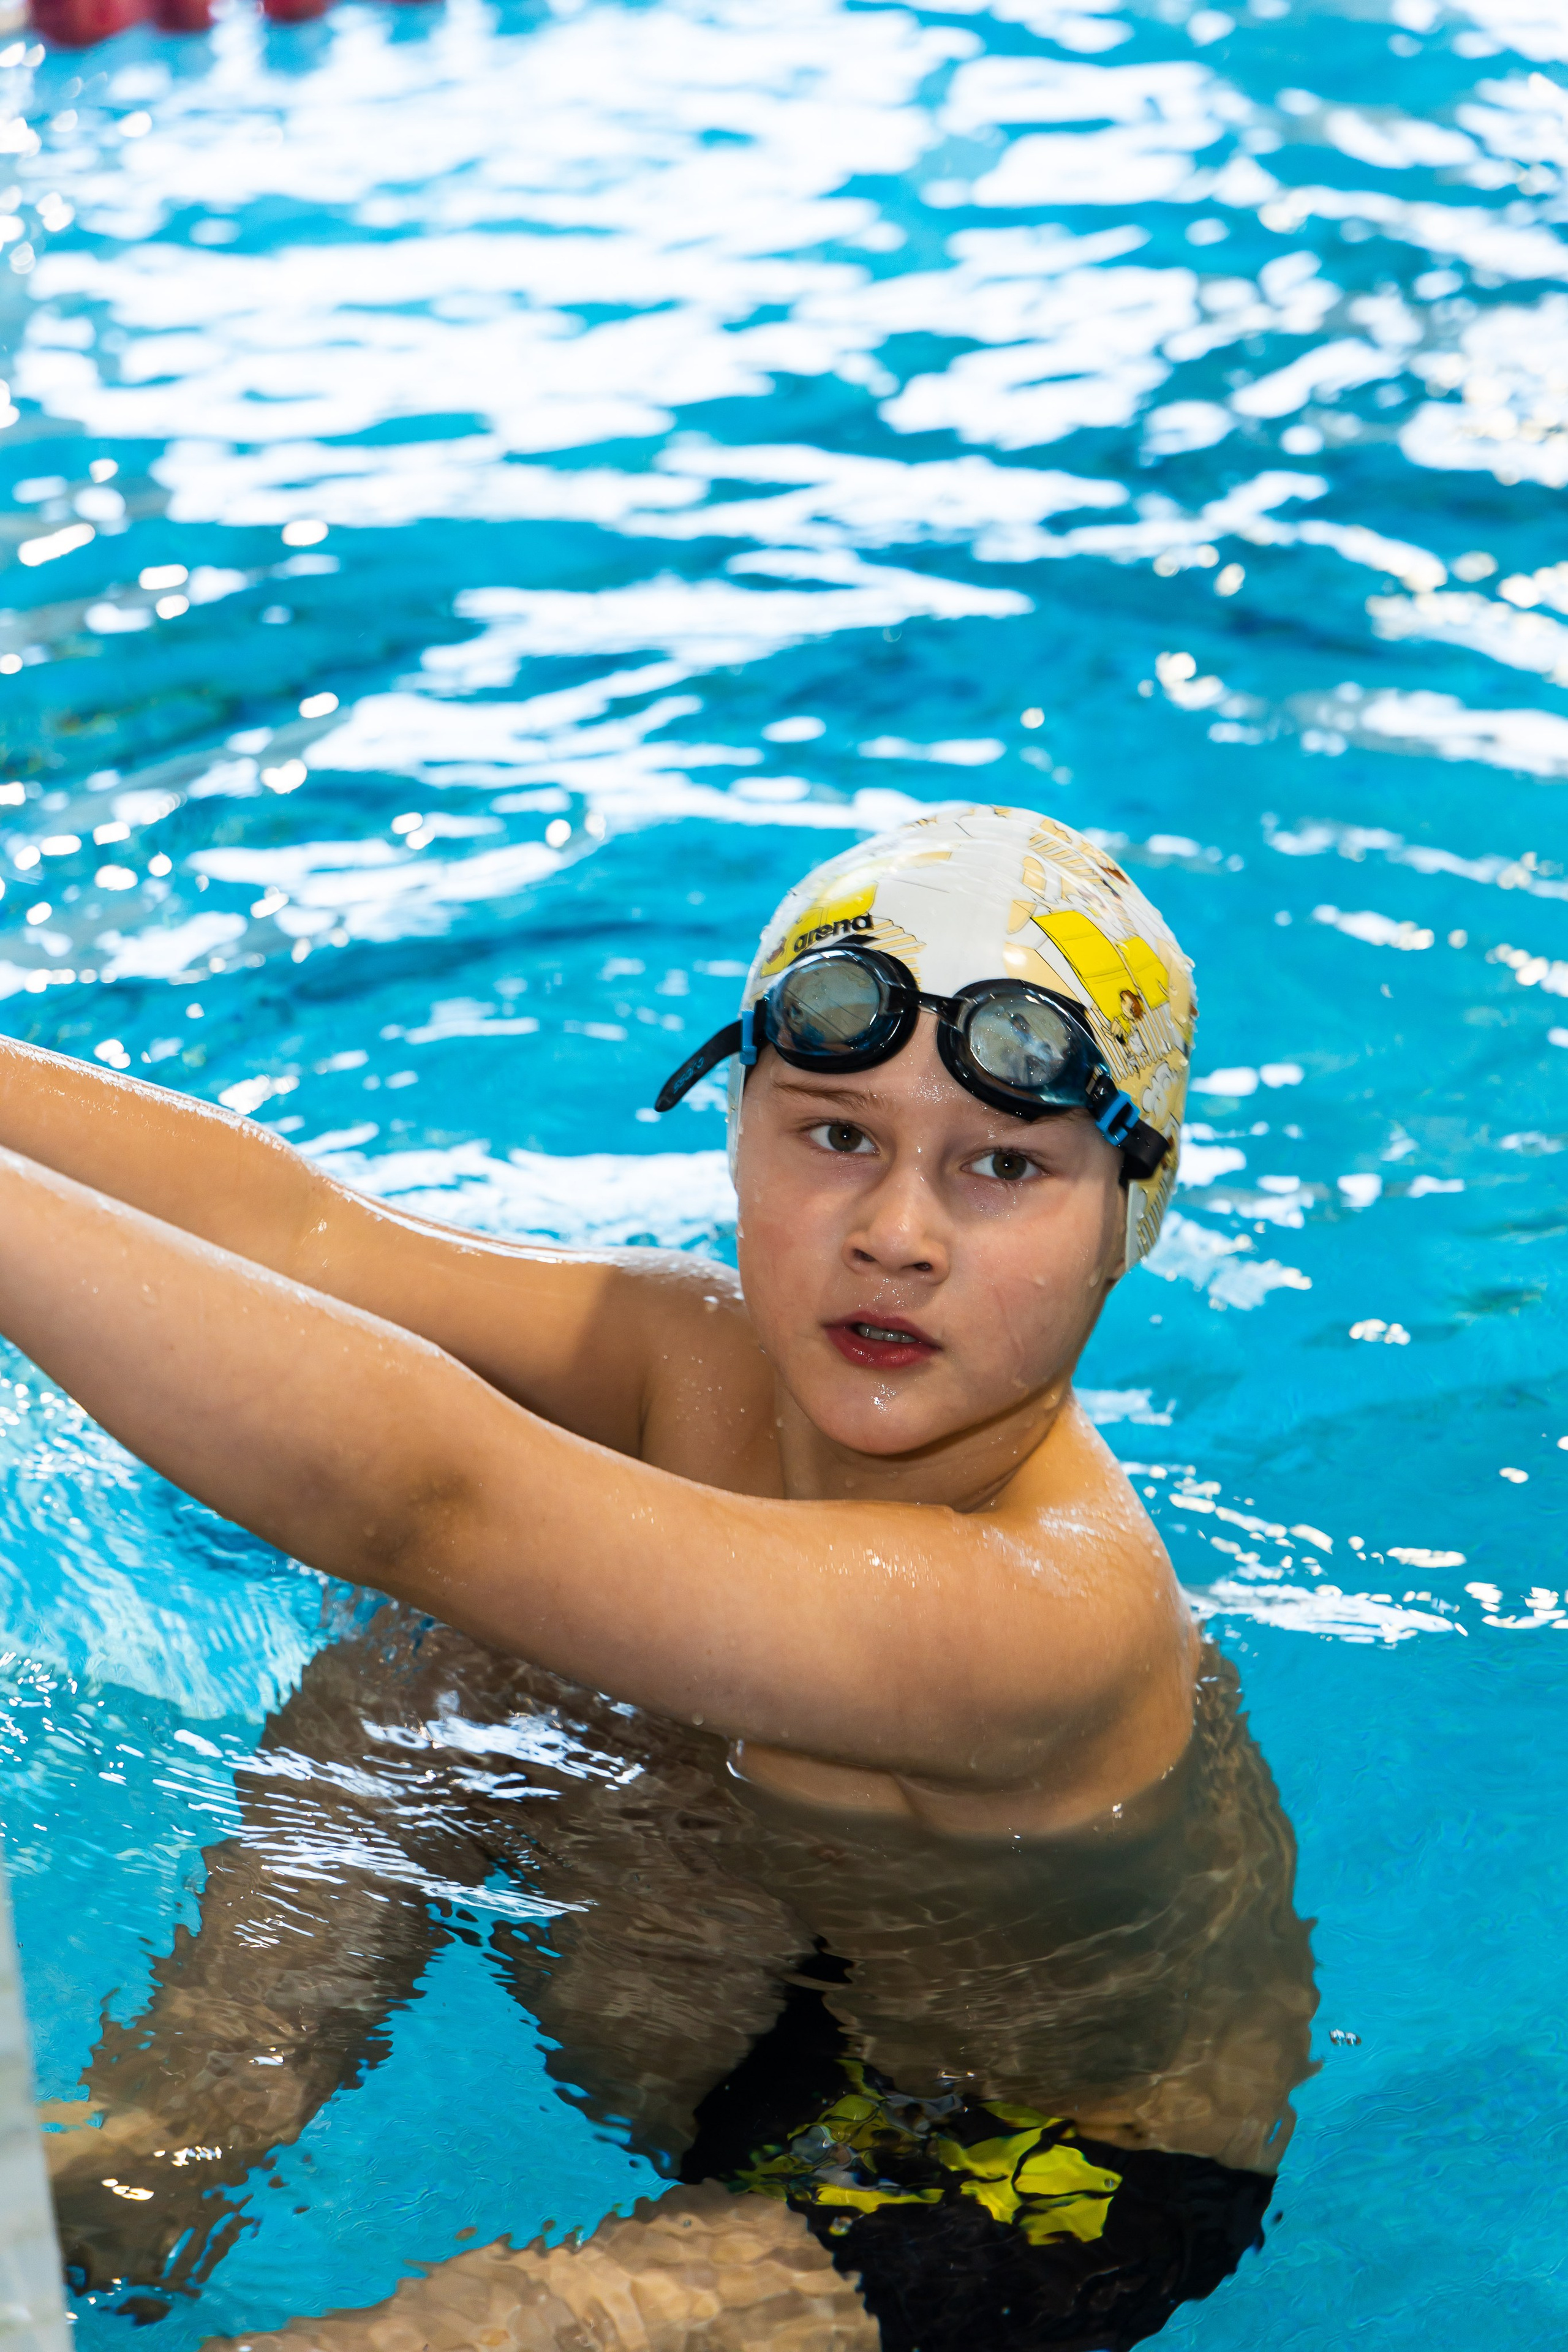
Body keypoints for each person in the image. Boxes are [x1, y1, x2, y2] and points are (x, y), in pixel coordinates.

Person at [30, 804, 1314, 2347]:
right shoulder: (692, 1367)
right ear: (736, 1132)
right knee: (463, 1652)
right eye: (835, 1137)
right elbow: (303, 1232)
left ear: (1127, 1221)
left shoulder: (1047, 1612)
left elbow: (427, 1499)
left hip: (1016, 2178)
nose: (896, 1234)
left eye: (1002, 1167)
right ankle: (168, 2138)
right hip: (752, 1956)